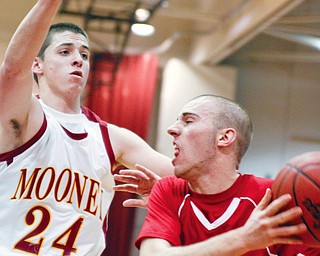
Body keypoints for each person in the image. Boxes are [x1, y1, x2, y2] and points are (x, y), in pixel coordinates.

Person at [0, 0, 172, 255]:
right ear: (37, 65)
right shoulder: (24, 117)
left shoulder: (113, 138)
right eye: (65, 51)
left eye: (84, 54)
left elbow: (185, 177)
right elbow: (13, 70)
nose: (78, 60)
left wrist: (165, 197)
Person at [133, 94, 320, 255]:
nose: (171, 129)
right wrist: (244, 239)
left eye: (188, 121)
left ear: (224, 138)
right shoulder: (167, 191)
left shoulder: (273, 197)